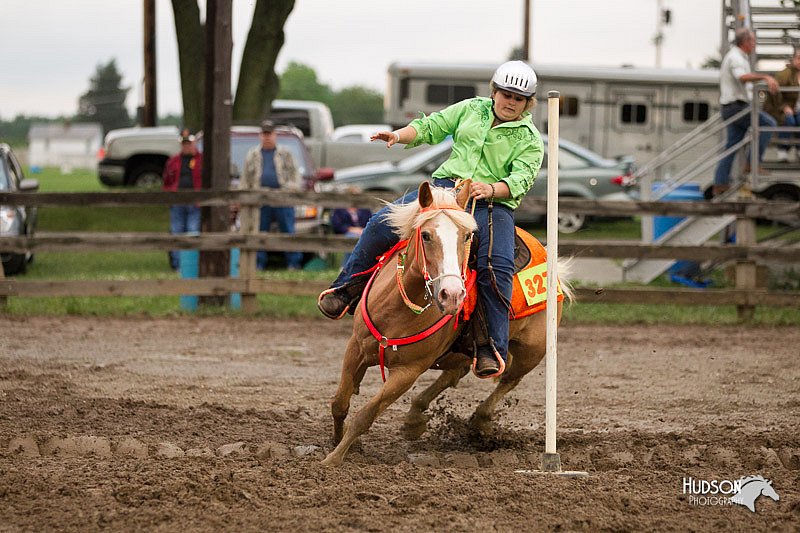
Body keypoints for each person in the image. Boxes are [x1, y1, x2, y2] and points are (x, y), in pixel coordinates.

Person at [317, 60, 544, 378]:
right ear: (494, 92)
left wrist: (490, 187)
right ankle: (345, 289)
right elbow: (431, 126)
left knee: (498, 264)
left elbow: (521, 180)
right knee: (381, 223)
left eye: (518, 98)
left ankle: (490, 345)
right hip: (445, 192)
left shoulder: (530, 139)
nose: (510, 102)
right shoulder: (470, 109)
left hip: (490, 205)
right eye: (505, 94)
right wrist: (399, 135)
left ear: (527, 103)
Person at [713, 27, 779, 197]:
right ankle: (752, 163)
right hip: (736, 107)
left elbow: (745, 83)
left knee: (731, 146)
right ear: (745, 42)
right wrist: (766, 77)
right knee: (768, 123)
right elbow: (741, 77)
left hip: (732, 106)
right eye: (753, 41)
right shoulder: (736, 57)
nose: (754, 44)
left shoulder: (738, 56)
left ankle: (720, 183)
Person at [241, 120, 303, 270]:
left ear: (275, 135)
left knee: (288, 230)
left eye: (269, 134)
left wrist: (292, 189)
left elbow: (295, 174)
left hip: (282, 197)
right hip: (260, 198)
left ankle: (293, 263)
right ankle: (258, 264)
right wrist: (245, 195)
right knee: (260, 231)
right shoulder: (253, 154)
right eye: (264, 134)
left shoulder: (285, 153)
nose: (267, 137)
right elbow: (245, 177)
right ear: (260, 135)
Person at [163, 130, 203, 270]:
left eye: (189, 143)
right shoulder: (173, 161)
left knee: (193, 231)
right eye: (184, 143)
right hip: (177, 202)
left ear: (195, 143)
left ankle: (191, 265)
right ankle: (178, 265)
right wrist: (170, 197)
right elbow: (167, 183)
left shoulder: (202, 160)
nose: (187, 146)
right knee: (176, 232)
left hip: (195, 203)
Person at [764, 48, 800, 162]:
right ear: (793, 59)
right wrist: (783, 107)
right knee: (789, 120)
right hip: (779, 109)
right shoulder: (784, 74)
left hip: (796, 109)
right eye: (799, 58)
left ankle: (799, 149)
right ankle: (782, 151)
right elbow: (775, 94)